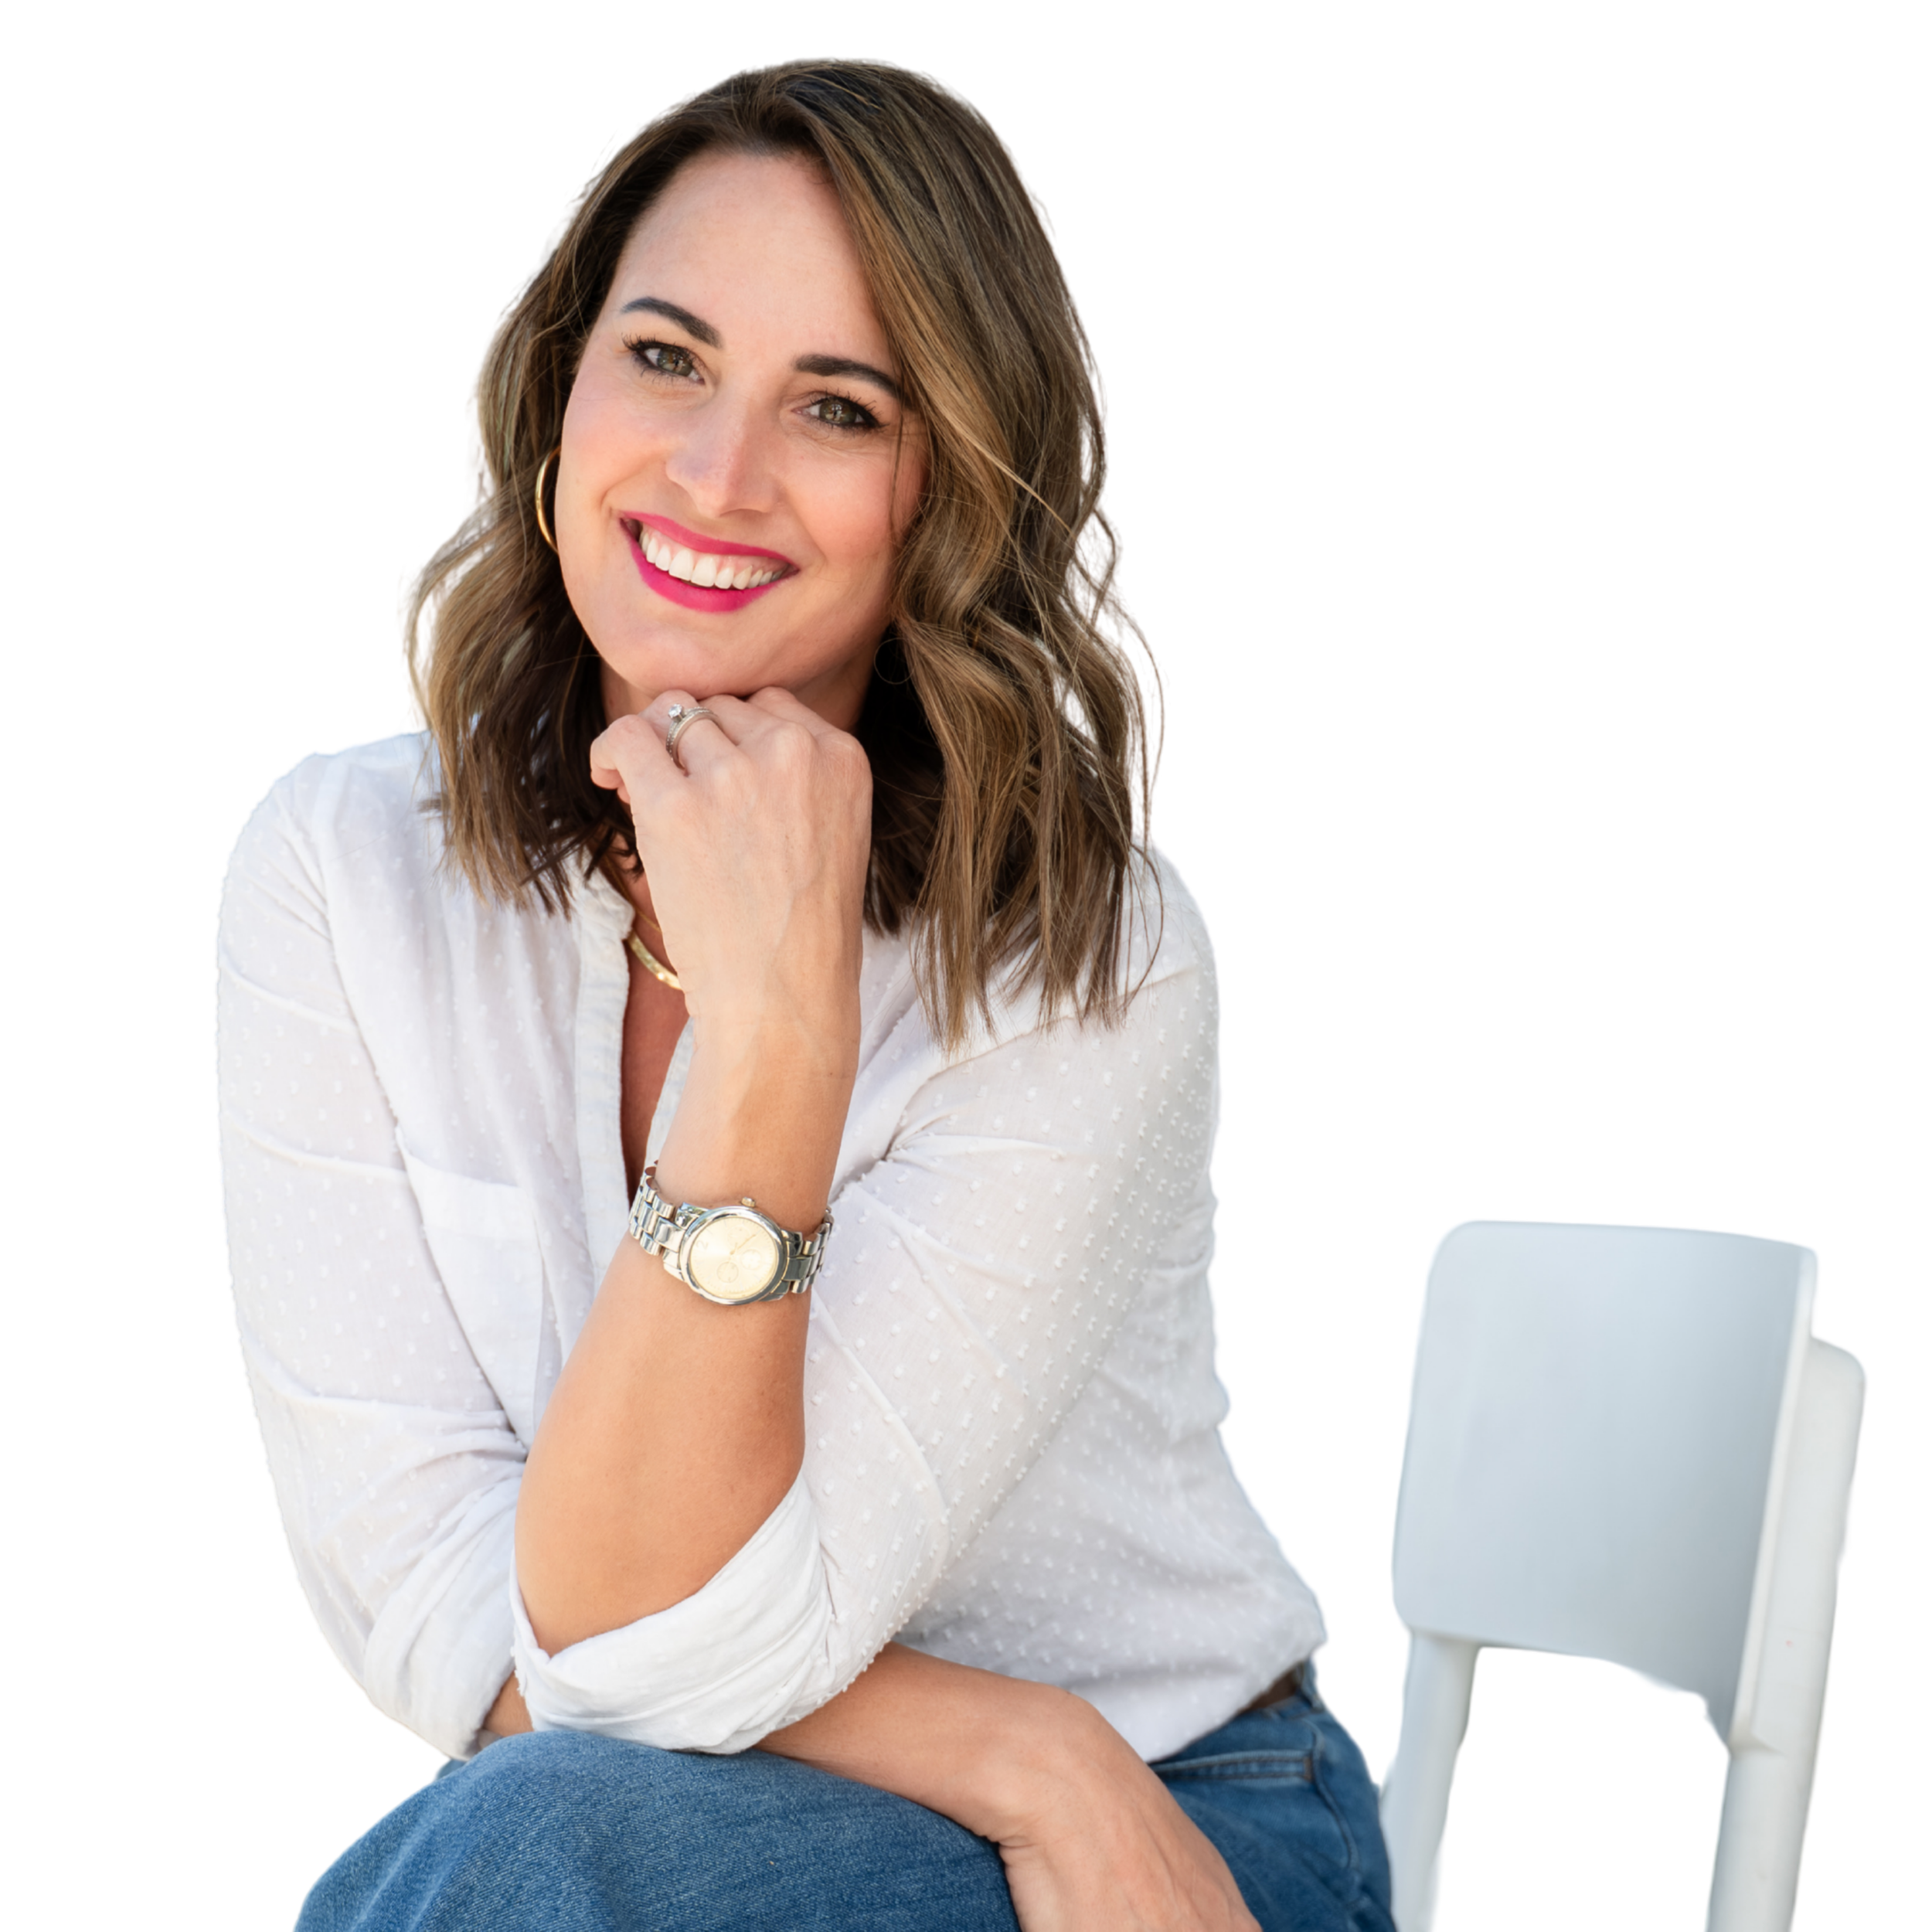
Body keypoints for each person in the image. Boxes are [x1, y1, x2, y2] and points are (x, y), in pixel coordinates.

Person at [217, 56, 1393, 1932]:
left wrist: (776, 1035)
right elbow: (414, 1601)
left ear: (949, 494)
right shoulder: (338, 867)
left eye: (835, 407)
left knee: (533, 1854)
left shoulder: (1091, 952)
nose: (716, 474)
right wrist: (1019, 1751)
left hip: (1172, 1816)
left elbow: (618, 1639)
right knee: (543, 1841)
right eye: (664, 359)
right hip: (962, 1790)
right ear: (558, 391)